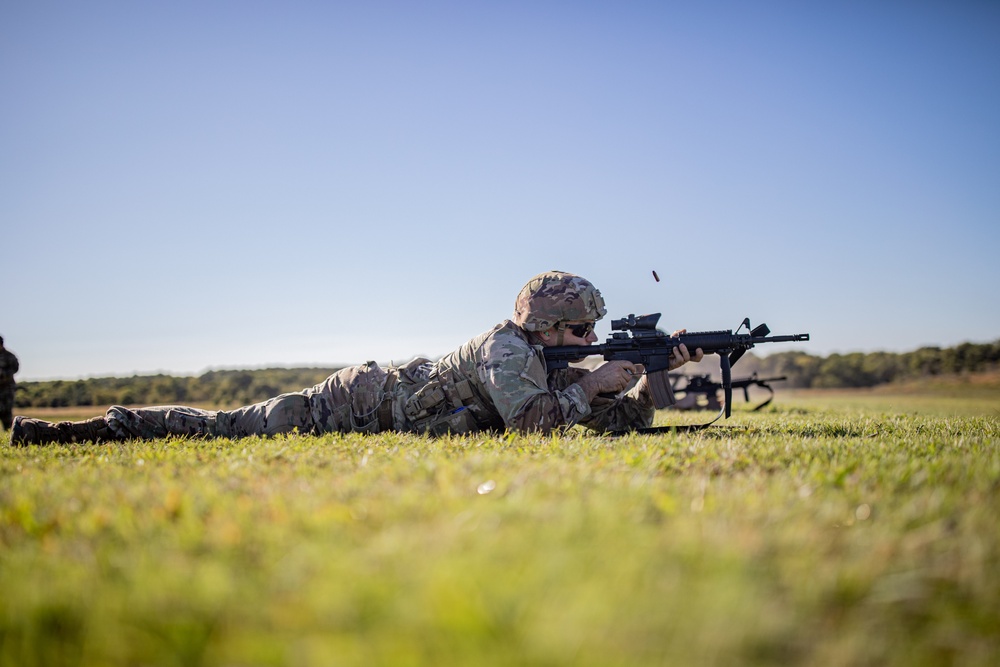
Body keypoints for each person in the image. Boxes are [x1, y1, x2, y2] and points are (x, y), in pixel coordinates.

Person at [10, 271, 703, 446]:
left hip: (383, 403)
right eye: (581, 333)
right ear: (549, 326)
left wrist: (654, 380)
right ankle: (91, 428)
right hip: (352, 403)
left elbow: (614, 429)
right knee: (225, 425)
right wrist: (601, 382)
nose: (590, 346)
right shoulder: (508, 348)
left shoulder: (547, 366)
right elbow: (536, 426)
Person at [0, 336, 19, 431]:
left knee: (6, 413)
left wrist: (3, 373)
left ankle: (9, 433)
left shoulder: (9, 356)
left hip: (7, 389)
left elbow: (15, 369)